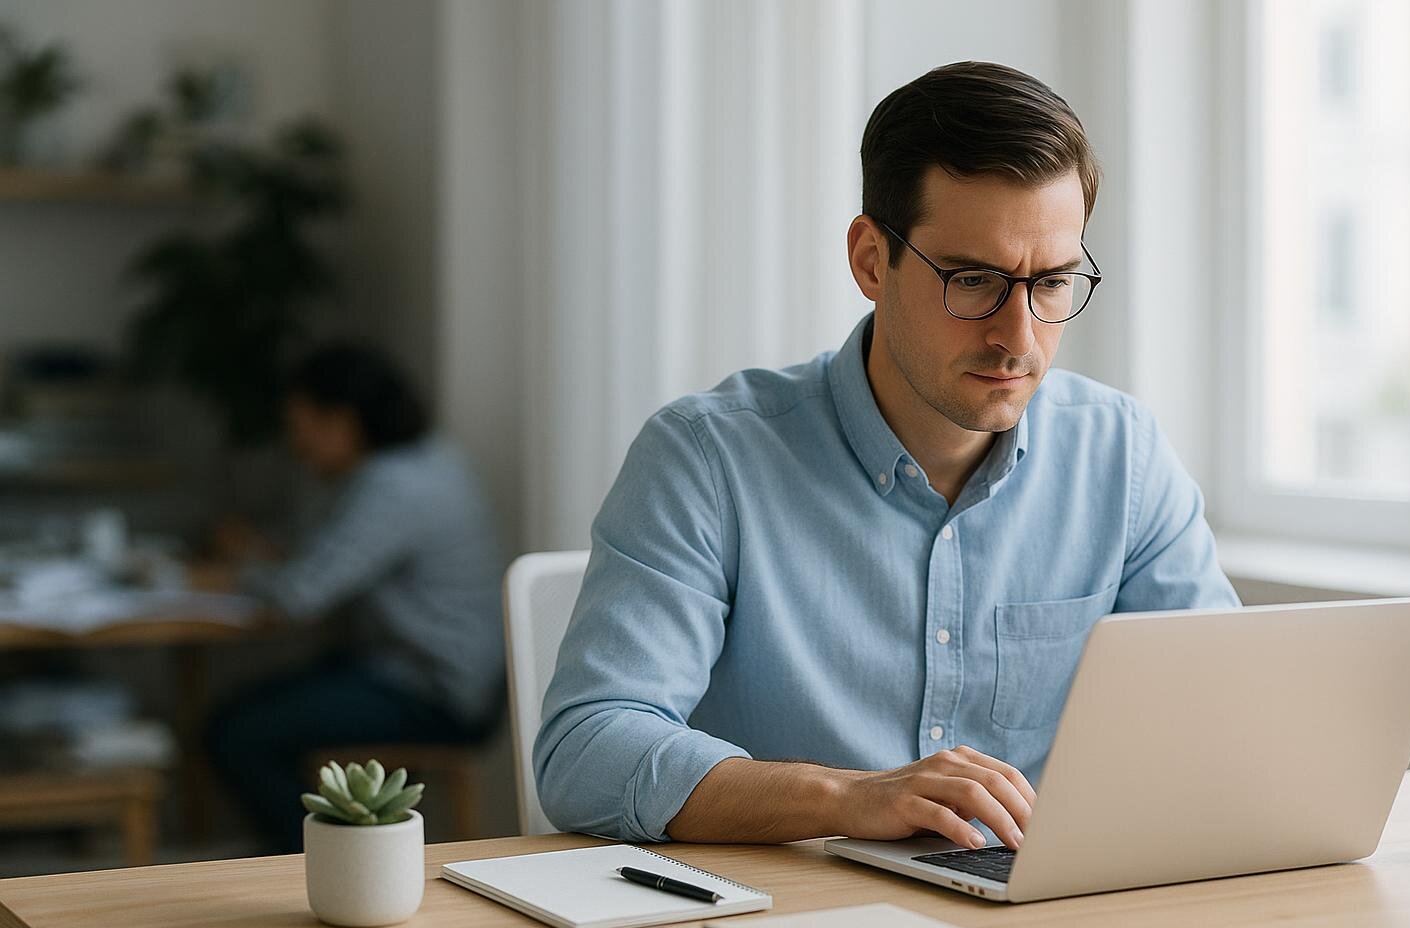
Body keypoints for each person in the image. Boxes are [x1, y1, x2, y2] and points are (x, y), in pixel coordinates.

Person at [533, 61, 1239, 851]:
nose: (1018, 337)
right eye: (973, 280)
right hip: (781, 922)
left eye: (1051, 283)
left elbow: (1223, 718)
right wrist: (848, 798)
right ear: (872, 260)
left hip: (1042, 914)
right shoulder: (708, 460)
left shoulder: (1122, 456)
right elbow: (586, 751)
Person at [203, 344, 504, 852]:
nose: (296, 443)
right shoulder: (426, 459)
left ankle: (310, 861)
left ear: (341, 421)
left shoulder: (393, 485)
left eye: (301, 426)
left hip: (437, 692)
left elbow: (300, 595)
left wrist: (229, 575)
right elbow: (324, 556)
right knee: (259, 705)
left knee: (235, 731)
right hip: (442, 674)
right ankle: (321, 854)